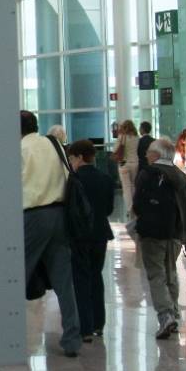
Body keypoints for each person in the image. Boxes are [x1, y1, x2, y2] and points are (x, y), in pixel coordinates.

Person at [20, 111, 81, 357]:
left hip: (32, 216)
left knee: (16, 275)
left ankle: (4, 334)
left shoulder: (20, 149)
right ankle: (72, 339)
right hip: (59, 214)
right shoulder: (53, 144)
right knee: (64, 280)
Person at [133, 138, 186, 339]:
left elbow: (138, 204)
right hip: (177, 233)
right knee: (170, 272)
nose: (146, 155)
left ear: (157, 155)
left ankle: (166, 316)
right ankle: (175, 314)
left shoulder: (147, 174)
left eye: (149, 152)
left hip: (153, 233)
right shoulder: (181, 176)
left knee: (156, 275)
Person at [67, 140, 115, 341]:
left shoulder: (73, 180)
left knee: (81, 279)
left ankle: (85, 327)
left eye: (71, 158)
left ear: (78, 157)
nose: (70, 162)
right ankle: (98, 323)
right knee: (96, 275)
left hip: (80, 235)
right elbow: (110, 209)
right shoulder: (105, 178)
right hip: (100, 234)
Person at [114, 119, 140, 219]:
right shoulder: (136, 138)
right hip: (135, 163)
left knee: (126, 188)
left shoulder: (122, 137)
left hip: (124, 164)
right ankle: (135, 207)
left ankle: (130, 209)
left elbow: (115, 150)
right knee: (133, 186)